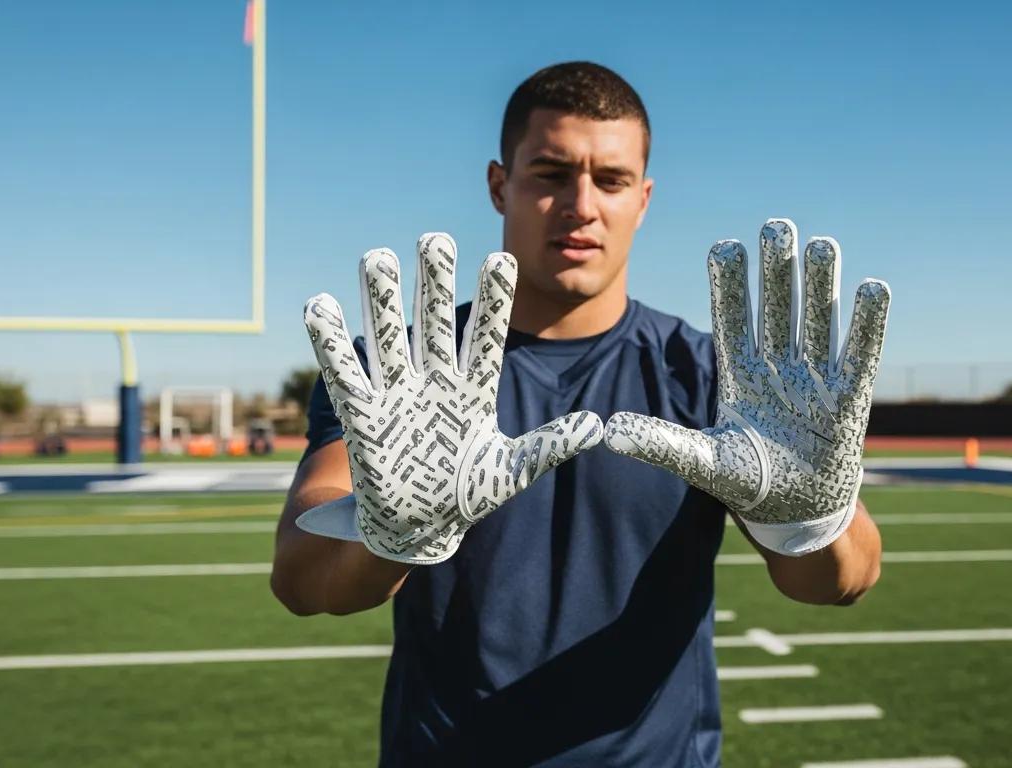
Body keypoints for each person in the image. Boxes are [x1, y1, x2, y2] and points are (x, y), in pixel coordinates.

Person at [271, 61, 884, 767]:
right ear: (501, 185)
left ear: (644, 198)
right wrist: (391, 535)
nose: (581, 205)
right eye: (552, 174)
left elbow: (845, 580)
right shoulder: (401, 372)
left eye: (611, 180)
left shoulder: (716, 375)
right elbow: (301, 579)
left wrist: (809, 520)